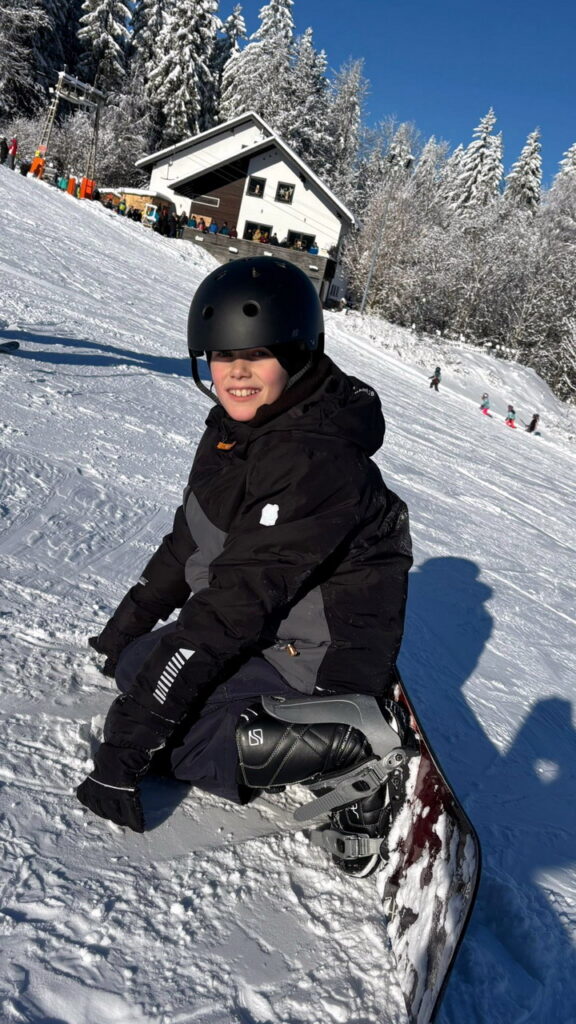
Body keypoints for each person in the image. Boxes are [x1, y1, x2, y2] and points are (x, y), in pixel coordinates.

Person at [76, 257, 413, 878]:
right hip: (269, 630)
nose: (235, 373)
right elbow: (189, 542)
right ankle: (268, 723)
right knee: (136, 667)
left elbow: (231, 609)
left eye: (256, 356)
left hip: (316, 656)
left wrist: (127, 748)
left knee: (182, 741)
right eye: (222, 356)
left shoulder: (314, 459)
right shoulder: (235, 430)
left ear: (297, 353)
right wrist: (124, 631)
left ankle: (350, 746)